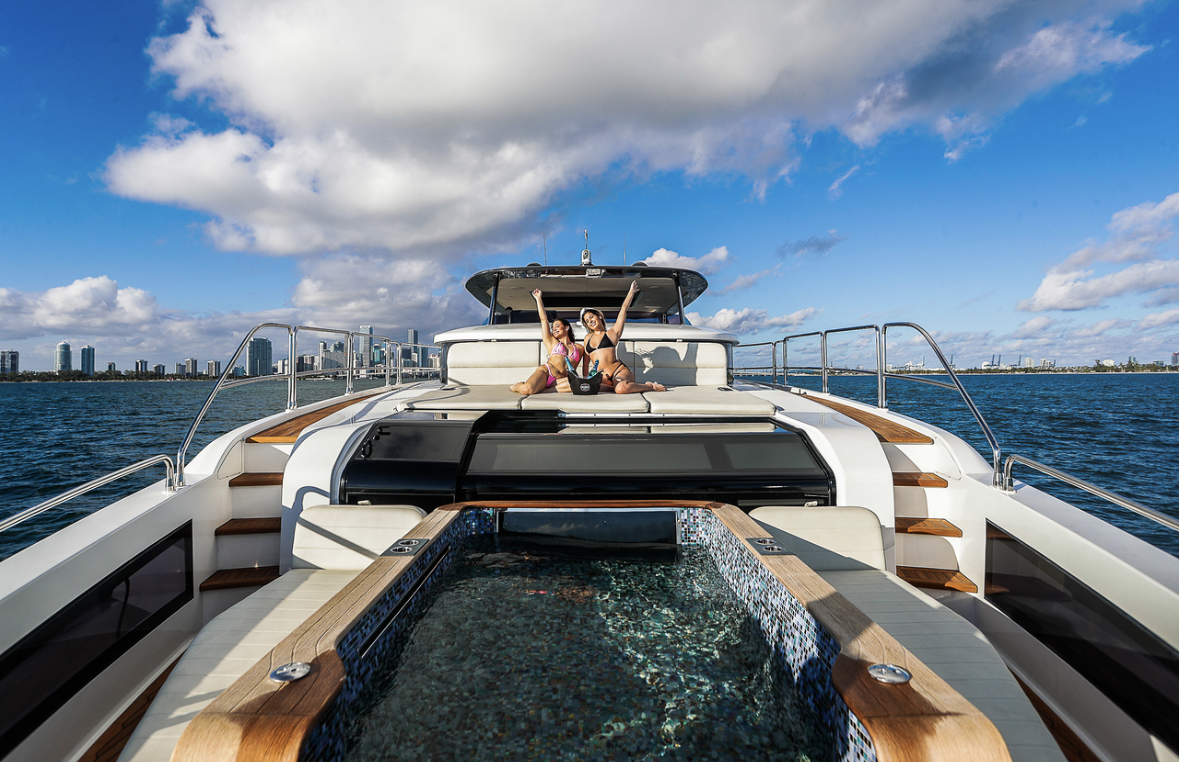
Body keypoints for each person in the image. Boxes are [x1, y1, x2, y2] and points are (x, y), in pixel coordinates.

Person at [581, 280, 666, 394]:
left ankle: (650, 387)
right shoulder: (587, 338)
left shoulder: (612, 333)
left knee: (621, 389)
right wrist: (586, 380)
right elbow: (586, 363)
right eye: (587, 321)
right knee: (588, 388)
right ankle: (614, 387)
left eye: (591, 317)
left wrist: (631, 292)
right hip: (602, 377)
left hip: (618, 371)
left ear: (599, 316)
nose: (590, 321)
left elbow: (623, 309)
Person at [509, 289, 584, 395]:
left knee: (578, 383)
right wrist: (538, 299)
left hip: (560, 380)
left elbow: (573, 371)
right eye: (553, 327)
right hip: (547, 372)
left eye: (557, 326)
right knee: (527, 390)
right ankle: (518, 386)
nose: (554, 329)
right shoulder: (551, 341)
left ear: (566, 328)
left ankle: (546, 389)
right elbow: (544, 319)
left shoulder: (579, 348)